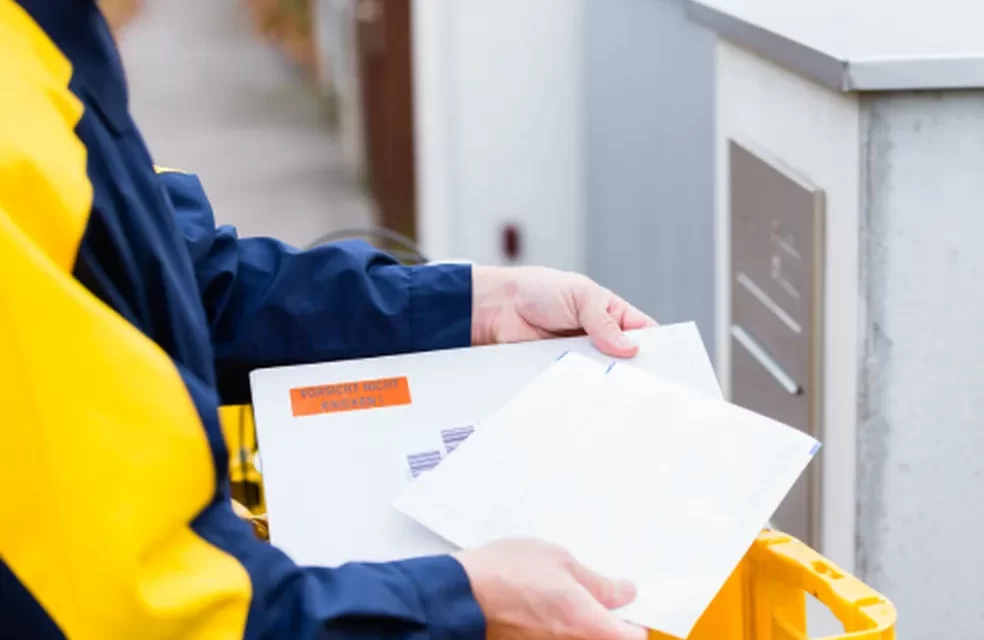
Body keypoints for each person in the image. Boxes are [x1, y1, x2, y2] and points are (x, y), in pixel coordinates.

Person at [0, 1, 656, 638]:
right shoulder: (15, 118)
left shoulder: (41, 47)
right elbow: (161, 616)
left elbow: (190, 285)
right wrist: (462, 602)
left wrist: (478, 304)